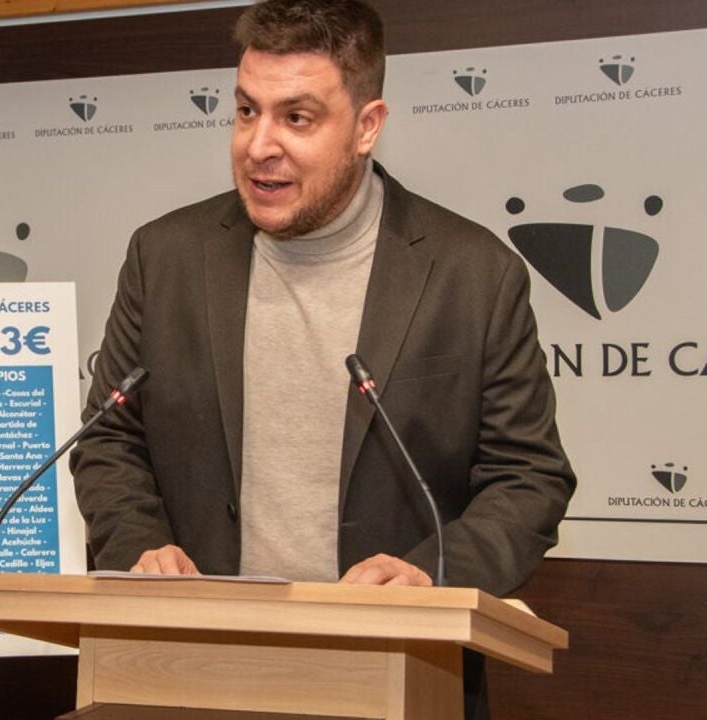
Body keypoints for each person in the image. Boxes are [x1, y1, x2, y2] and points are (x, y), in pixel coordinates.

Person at [69, 1, 576, 714]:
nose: (259, 145)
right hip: (188, 669)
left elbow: (529, 478)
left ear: (368, 126)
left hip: (394, 672)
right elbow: (108, 442)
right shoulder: (165, 257)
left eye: (297, 118)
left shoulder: (473, 274)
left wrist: (430, 574)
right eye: (247, 111)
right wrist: (139, 546)